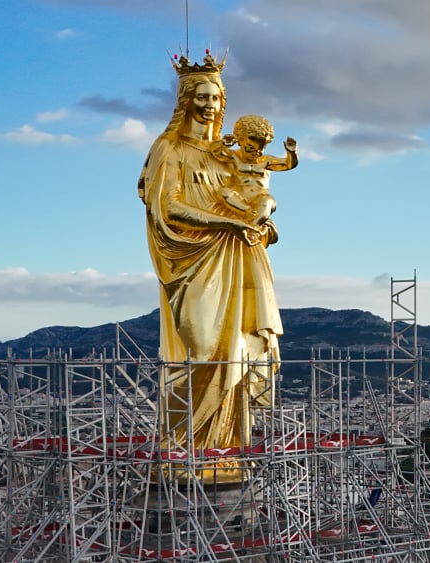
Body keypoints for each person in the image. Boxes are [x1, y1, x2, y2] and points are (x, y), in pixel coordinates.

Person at [137, 52, 284, 469]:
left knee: (237, 353)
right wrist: (229, 224)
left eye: (216, 97)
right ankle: (183, 449)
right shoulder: (169, 148)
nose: (210, 105)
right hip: (193, 261)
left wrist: (257, 226)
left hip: (239, 258)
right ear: (185, 101)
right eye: (201, 96)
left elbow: (246, 198)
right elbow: (167, 208)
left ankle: (223, 450)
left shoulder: (226, 154)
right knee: (201, 351)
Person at [214, 114, 298, 228]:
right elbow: (214, 153)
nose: (256, 152)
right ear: (240, 140)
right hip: (237, 200)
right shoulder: (232, 156)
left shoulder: (265, 160)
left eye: (261, 148)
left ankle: (252, 227)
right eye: (250, 147)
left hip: (260, 199)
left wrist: (292, 153)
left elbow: (288, 164)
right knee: (223, 192)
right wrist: (223, 144)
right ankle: (248, 214)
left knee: (267, 201)